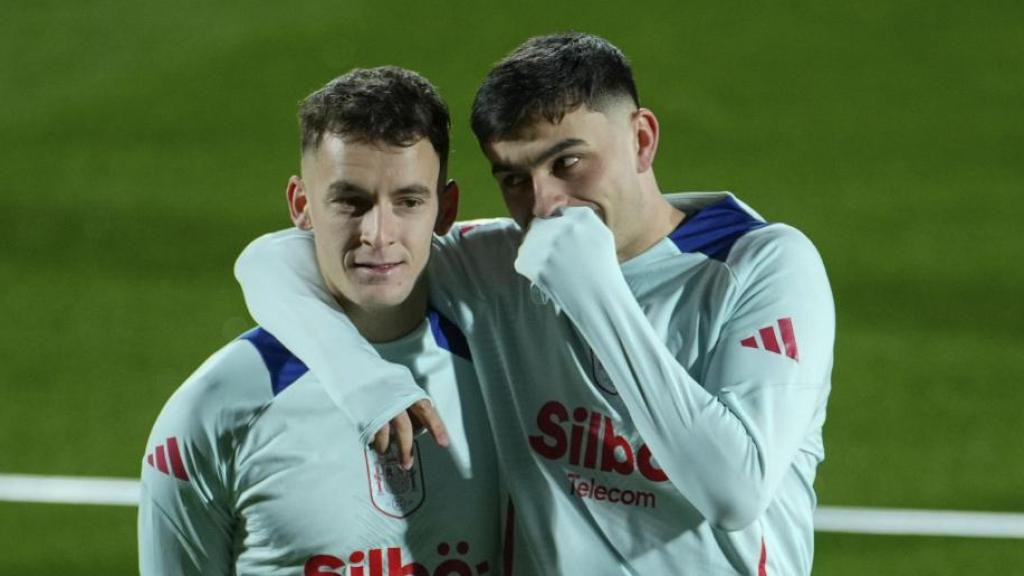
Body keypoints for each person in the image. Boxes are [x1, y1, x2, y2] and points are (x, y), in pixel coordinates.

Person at [237, 33, 834, 575]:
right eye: (514, 178)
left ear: (642, 140)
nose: (546, 204)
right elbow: (275, 260)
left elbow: (732, 491)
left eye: (567, 162)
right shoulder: (503, 262)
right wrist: (362, 379)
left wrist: (594, 290)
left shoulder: (762, 265)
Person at [138, 67, 502, 575]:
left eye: (409, 201)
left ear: (446, 209)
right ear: (301, 205)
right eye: (350, 202)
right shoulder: (214, 410)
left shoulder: (508, 370)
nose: (378, 233)